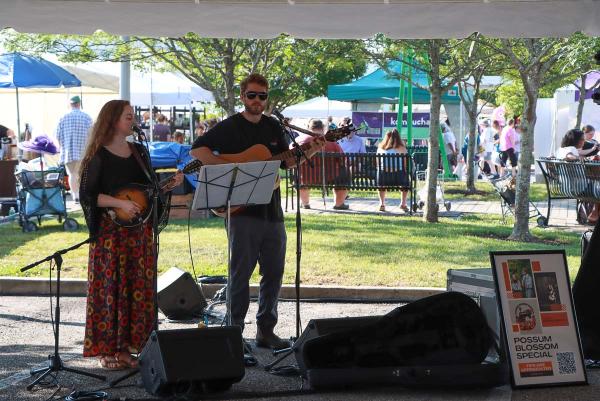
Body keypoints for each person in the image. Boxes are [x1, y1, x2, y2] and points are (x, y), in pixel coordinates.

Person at [190, 73, 324, 349]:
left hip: (271, 211)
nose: (257, 101)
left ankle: (266, 329)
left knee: (274, 272)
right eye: (252, 95)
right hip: (240, 212)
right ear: (242, 96)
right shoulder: (229, 127)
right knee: (240, 273)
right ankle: (234, 331)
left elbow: (286, 163)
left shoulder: (274, 127)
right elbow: (197, 151)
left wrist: (312, 150)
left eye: (262, 96)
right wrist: (227, 167)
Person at [79, 99, 183, 370]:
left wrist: (171, 184)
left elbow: (150, 190)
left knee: (136, 290)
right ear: (112, 120)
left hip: (138, 234)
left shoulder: (139, 151)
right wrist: (120, 203)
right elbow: (88, 196)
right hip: (110, 236)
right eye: (128, 116)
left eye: (133, 116)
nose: (133, 120)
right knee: (111, 290)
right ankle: (108, 351)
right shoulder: (97, 155)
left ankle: (127, 350)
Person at [296, 119, 349, 210]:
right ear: (323, 128)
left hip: (304, 177)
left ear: (308, 128)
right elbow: (342, 159)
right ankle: (339, 204)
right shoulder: (331, 142)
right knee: (343, 174)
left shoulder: (299, 140)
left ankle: (305, 203)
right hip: (329, 177)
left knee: (301, 175)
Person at [55, 95, 93, 203]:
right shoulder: (86, 117)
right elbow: (92, 134)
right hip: (84, 152)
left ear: (70, 104)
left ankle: (75, 196)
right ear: (79, 104)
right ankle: (82, 195)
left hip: (69, 152)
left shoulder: (63, 117)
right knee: (82, 174)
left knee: (72, 174)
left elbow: (57, 135)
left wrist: (63, 145)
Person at [376, 129, 409, 212]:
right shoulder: (402, 148)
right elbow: (405, 165)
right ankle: (403, 203)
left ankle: (382, 203)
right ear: (398, 138)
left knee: (380, 171)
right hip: (399, 178)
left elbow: (378, 164)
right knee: (405, 177)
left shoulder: (380, 148)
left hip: (383, 178)